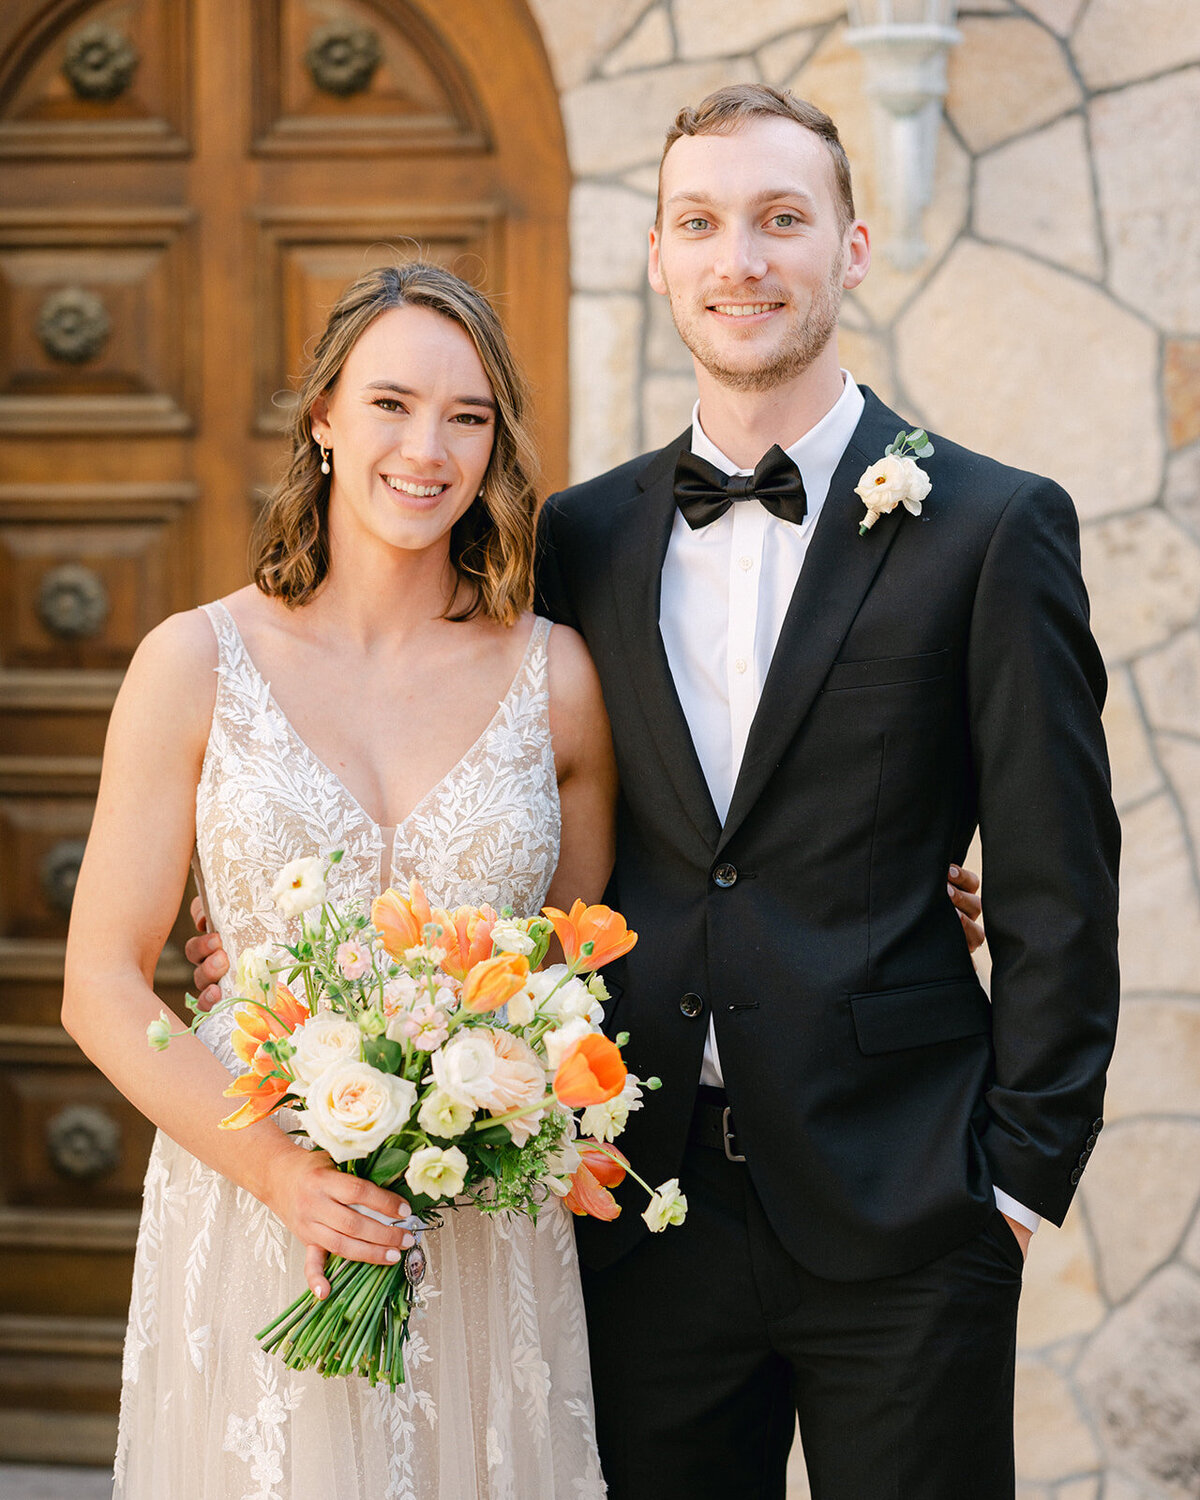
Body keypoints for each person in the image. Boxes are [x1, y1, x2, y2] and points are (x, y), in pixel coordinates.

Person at [533, 88, 1116, 1498]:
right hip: (644, 1209)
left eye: (782, 220)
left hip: (911, 1211)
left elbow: (1055, 880)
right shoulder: (579, 537)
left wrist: (1018, 1184)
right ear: (661, 258)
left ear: (851, 248)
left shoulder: (992, 525)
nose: (742, 259)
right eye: (703, 224)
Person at [61, 261, 615, 1498]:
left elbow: (579, 981)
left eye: (467, 418)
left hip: (478, 1236)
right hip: (253, 1208)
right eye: (390, 405)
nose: (428, 449)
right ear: (322, 418)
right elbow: (100, 985)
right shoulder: (193, 662)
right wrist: (284, 1176)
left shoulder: (558, 679)